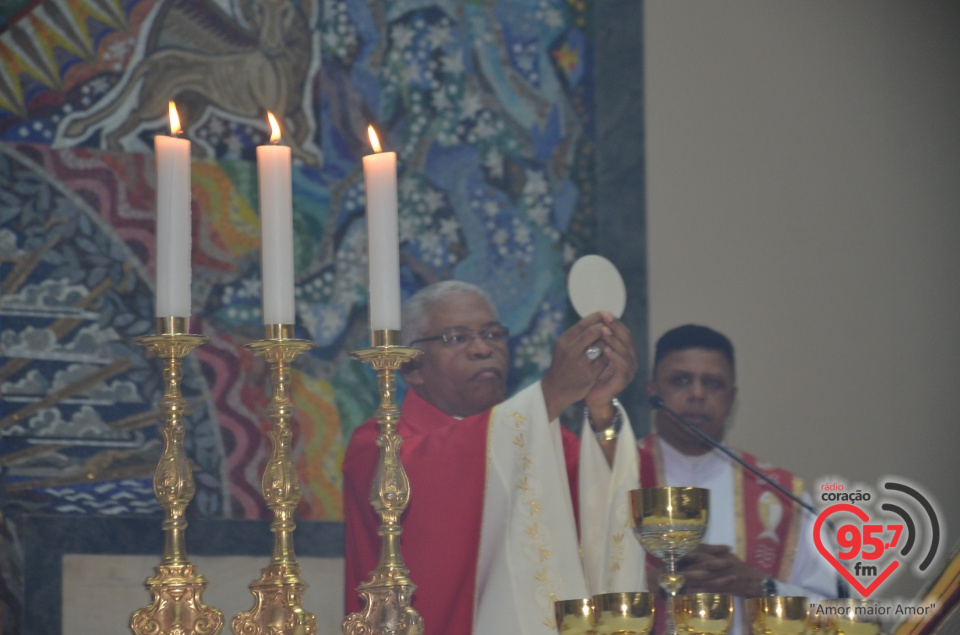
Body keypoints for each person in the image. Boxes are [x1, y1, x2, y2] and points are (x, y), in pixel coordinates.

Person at [342, 280, 643, 635]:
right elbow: (434, 478)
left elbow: (602, 503)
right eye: (456, 338)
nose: (482, 349)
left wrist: (601, 408)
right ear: (412, 368)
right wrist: (551, 393)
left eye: (494, 335)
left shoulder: (541, 436)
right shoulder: (378, 443)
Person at [638, 324, 837, 634]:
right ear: (652, 392)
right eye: (680, 380)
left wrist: (760, 586)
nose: (697, 394)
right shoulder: (610, 482)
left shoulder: (783, 496)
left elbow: (836, 617)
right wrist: (646, 587)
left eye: (713, 383)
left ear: (731, 399)